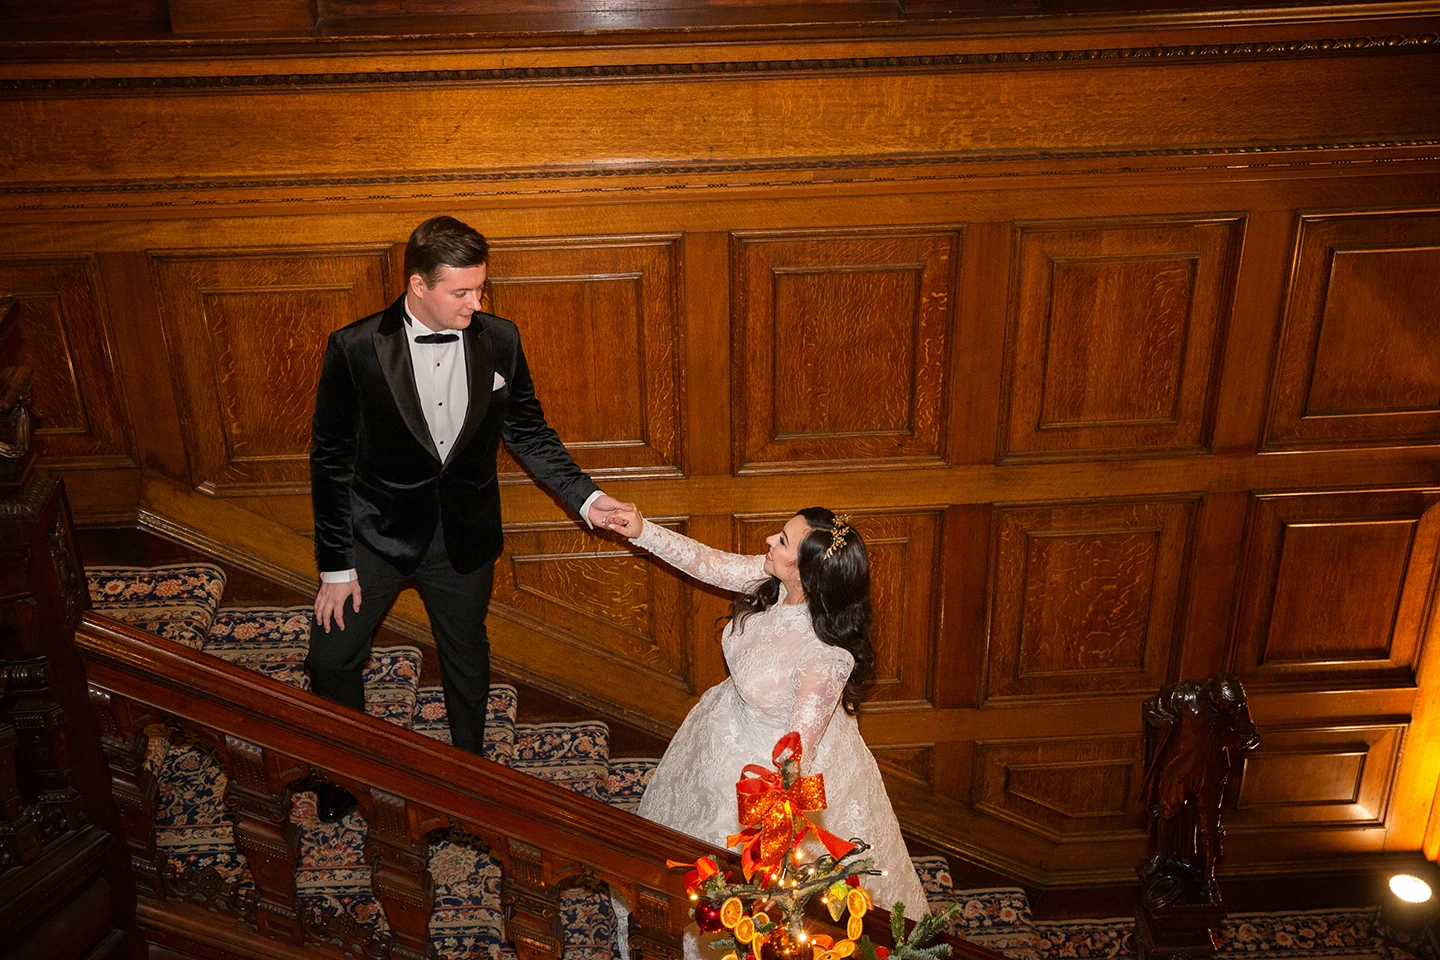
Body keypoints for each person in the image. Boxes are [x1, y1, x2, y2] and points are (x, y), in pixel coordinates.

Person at [309, 215, 631, 820]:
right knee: (330, 658)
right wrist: (336, 565)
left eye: (480, 289)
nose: (475, 303)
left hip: (463, 538)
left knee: (465, 659)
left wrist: (588, 499)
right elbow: (329, 460)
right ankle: (342, 778)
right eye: (461, 292)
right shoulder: (354, 348)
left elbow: (530, 433)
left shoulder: (500, 340)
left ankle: (469, 778)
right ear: (417, 286)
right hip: (375, 536)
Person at [605, 505, 928, 920]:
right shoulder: (774, 578)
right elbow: (711, 564)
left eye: (782, 541)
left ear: (806, 572)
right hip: (723, 728)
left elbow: (795, 766)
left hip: (763, 777)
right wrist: (642, 531)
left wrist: (766, 853)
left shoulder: (824, 658)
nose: (769, 542)